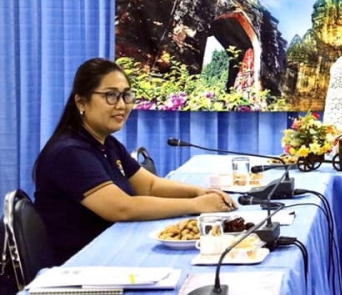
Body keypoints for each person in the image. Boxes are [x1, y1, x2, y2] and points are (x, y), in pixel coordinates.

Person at [33, 58, 236, 264]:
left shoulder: (107, 143)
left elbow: (149, 185)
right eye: (111, 96)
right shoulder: (70, 152)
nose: (122, 105)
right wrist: (195, 205)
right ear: (81, 102)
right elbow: (122, 208)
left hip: (111, 249)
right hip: (81, 264)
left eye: (126, 95)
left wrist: (199, 192)